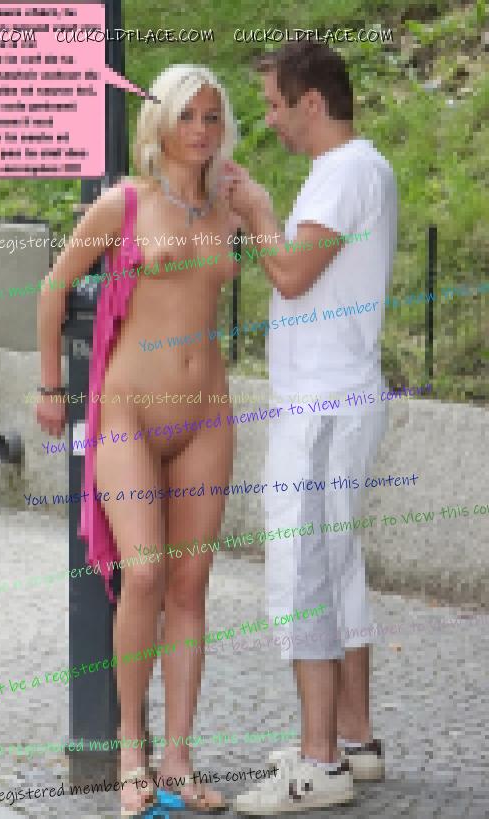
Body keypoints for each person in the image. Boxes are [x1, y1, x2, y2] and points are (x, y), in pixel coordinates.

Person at [36, 63, 240, 816]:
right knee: (146, 573)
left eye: (213, 117)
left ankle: (179, 760)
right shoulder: (124, 203)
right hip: (128, 413)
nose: (201, 130)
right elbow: (55, 287)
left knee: (190, 586)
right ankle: (131, 751)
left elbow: (289, 268)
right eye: (188, 115)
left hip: (207, 414)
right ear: (161, 122)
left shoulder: (230, 205)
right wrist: (51, 387)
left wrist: (259, 206)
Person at [218, 41, 397, 813]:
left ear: (312, 103)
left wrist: (258, 211)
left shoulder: (346, 172)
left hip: (322, 406)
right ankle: (354, 740)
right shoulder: (355, 169)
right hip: (333, 398)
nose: (270, 120)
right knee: (336, 563)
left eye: (274, 105)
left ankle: (318, 763)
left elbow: (291, 273)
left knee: (303, 572)